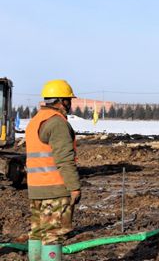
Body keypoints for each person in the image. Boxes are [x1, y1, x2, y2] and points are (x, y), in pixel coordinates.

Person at [25, 80, 80, 261]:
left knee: (37, 233)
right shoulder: (57, 123)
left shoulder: (35, 121)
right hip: (55, 190)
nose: (70, 104)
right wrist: (74, 187)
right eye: (68, 100)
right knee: (53, 236)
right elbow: (64, 159)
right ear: (61, 101)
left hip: (36, 189)